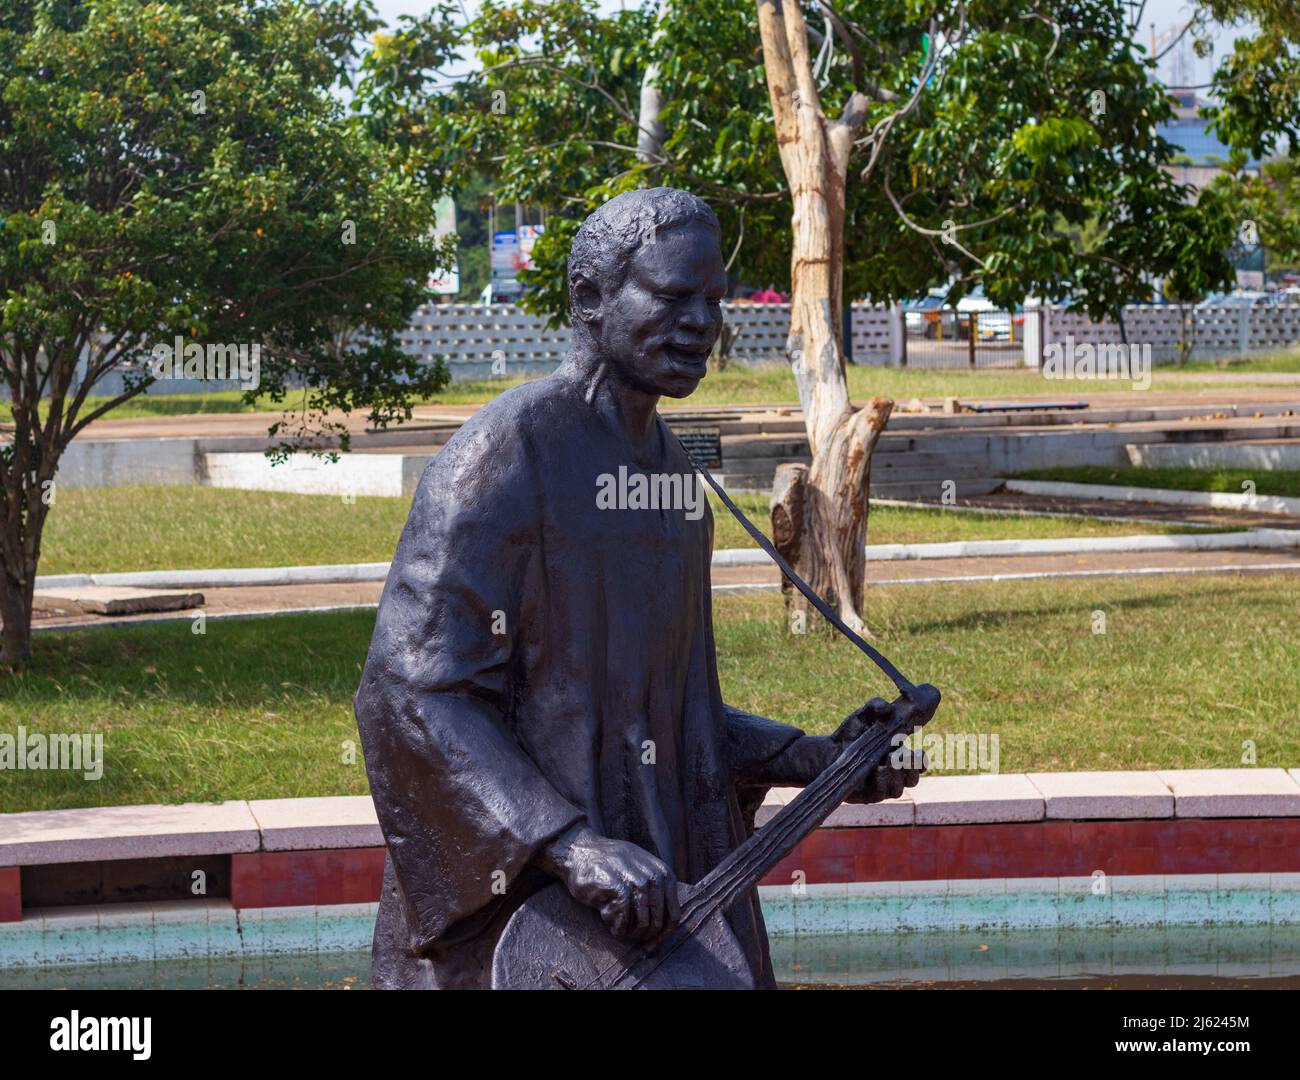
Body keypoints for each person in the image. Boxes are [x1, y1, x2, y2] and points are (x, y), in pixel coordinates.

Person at [354, 187, 920, 990]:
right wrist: (569, 845)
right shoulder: (508, 454)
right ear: (589, 297)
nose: (702, 323)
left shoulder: (678, 485)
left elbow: (672, 716)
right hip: (532, 925)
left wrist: (821, 760)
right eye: (673, 295)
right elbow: (412, 693)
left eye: (714, 300)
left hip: (665, 911)